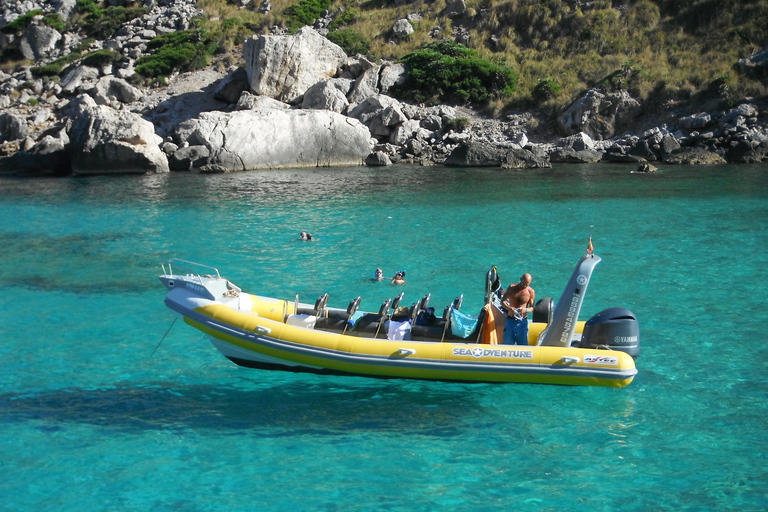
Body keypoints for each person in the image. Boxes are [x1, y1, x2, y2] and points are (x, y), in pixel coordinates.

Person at [501, 273, 535, 345]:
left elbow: (532, 308)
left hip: (522, 321)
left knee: (523, 345)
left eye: (527, 284)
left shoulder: (530, 292)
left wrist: (525, 310)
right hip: (511, 320)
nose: (525, 286)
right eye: (524, 283)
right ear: (521, 279)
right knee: (507, 344)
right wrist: (509, 308)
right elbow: (502, 302)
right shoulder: (512, 288)